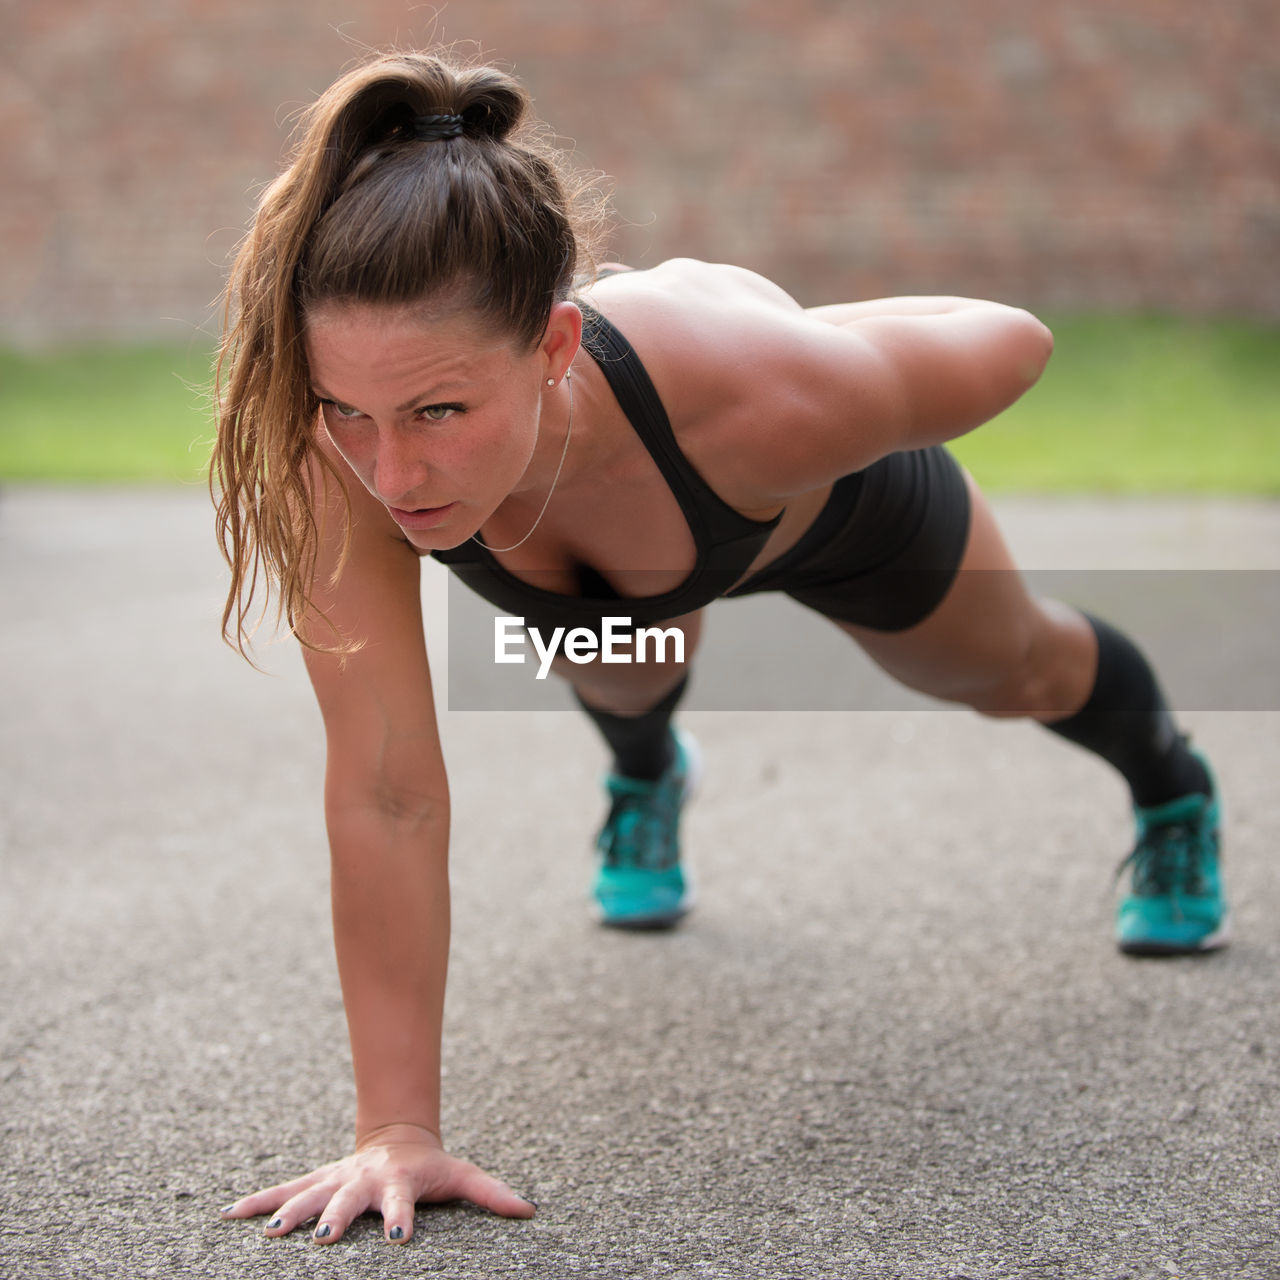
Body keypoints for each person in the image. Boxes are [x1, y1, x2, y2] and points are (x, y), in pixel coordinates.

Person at [211, 49, 1227, 1246]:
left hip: (818, 504)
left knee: (1011, 670)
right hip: (599, 558)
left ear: (550, 345)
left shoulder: (765, 387)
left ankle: (1171, 788)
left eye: (438, 410)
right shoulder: (338, 460)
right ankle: (647, 774)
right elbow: (385, 787)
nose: (392, 474)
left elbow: (1014, 337)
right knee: (617, 658)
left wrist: (810, 338)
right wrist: (395, 1127)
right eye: (351, 410)